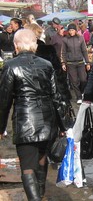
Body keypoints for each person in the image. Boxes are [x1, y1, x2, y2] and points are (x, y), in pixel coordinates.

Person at [0, 29, 66, 200]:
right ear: (35, 45)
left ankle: (35, 198)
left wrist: (1, 127)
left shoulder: (10, 66)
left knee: (28, 166)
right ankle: (40, 194)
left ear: (16, 45)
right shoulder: (47, 65)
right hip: (47, 120)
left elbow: (3, 101)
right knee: (42, 158)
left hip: (25, 121)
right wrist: (62, 125)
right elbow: (56, 97)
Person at [61, 23, 91, 104]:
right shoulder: (65, 40)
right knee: (74, 81)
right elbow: (63, 52)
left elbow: (84, 50)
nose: (71, 32)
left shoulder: (80, 38)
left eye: (72, 30)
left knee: (83, 79)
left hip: (80, 62)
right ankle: (78, 96)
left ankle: (81, 92)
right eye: (70, 30)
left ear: (75, 30)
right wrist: (63, 63)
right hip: (70, 63)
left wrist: (87, 62)